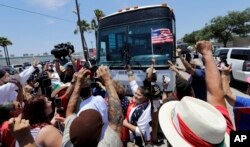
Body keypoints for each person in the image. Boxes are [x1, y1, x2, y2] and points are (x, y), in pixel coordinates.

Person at [159, 40, 234, 146]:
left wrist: (180, 55)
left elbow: (188, 69)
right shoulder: (220, 127)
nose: (190, 65)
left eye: (192, 64)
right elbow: (216, 93)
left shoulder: (200, 74)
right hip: (203, 108)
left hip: (199, 106)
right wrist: (207, 54)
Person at [62, 66, 123, 147]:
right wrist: (108, 81)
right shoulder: (105, 144)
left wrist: (78, 84)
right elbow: (117, 119)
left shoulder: (67, 143)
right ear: (98, 137)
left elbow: (69, 112)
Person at [123, 65, 152, 147]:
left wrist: (125, 124)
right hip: (131, 135)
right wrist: (129, 71)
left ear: (145, 97)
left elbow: (140, 131)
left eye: (138, 95)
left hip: (138, 141)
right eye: (135, 93)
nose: (135, 96)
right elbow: (132, 83)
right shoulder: (139, 99)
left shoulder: (145, 111)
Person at [221, 65, 250, 131]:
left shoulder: (247, 104)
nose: (248, 86)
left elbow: (227, 94)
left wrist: (224, 75)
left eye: (249, 85)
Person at [143, 58, 162, 145]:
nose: (155, 75)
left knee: (155, 123)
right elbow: (149, 77)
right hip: (151, 106)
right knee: (153, 123)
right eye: (153, 73)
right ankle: (152, 139)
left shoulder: (156, 83)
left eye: (155, 73)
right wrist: (152, 64)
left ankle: (154, 137)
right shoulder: (147, 83)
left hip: (156, 105)